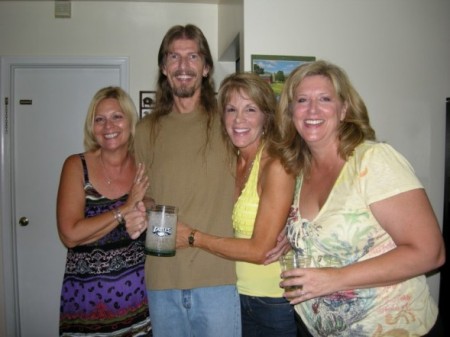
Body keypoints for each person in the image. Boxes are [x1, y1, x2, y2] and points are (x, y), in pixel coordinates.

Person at [270, 60, 446, 337]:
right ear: (291, 112)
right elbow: (334, 228)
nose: (312, 109)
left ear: (344, 110)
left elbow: (430, 252)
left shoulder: (374, 160)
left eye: (325, 99)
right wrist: (294, 238)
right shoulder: (300, 171)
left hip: (392, 327)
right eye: (302, 100)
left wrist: (336, 280)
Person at [124, 24, 241, 337]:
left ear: (205, 68)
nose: (183, 65)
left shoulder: (230, 122)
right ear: (164, 67)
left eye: (193, 56)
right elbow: (145, 196)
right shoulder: (146, 129)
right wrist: (142, 209)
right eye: (174, 57)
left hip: (219, 278)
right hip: (163, 281)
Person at [175, 72, 297, 336]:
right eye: (231, 109)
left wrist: (193, 238)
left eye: (250, 109)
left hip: (272, 301)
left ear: (266, 116)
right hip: (229, 294)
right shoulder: (228, 160)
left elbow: (259, 250)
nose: (239, 119)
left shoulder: (275, 165)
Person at [56, 86, 152, 336]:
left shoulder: (142, 166)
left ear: (130, 121)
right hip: (86, 305)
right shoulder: (76, 166)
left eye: (117, 117)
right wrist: (125, 208)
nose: (108, 126)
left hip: (137, 306)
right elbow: (69, 234)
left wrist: (143, 209)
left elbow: (152, 204)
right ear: (92, 126)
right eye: (100, 119)